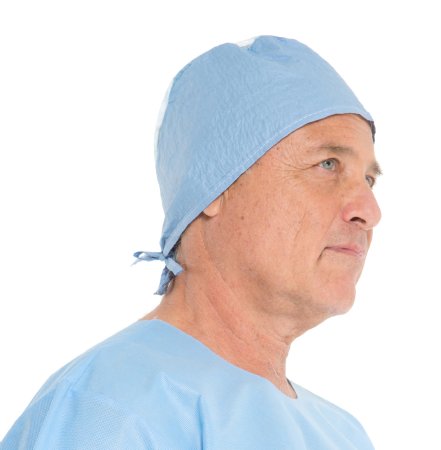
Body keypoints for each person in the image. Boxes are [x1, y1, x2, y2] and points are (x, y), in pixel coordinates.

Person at [1, 35, 381, 449]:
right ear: (213, 185)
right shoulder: (111, 409)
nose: (370, 210)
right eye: (327, 164)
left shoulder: (343, 435)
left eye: (369, 178)